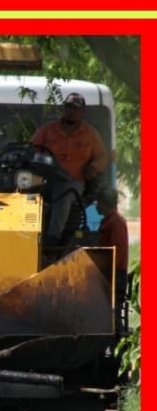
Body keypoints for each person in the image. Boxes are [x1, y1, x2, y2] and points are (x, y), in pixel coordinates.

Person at [30, 91, 107, 189]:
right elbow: (31, 149)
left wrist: (93, 168)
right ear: (63, 109)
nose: (71, 111)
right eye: (68, 107)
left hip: (75, 181)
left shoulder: (90, 133)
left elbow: (101, 156)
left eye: (75, 108)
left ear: (82, 112)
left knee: (64, 191)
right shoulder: (47, 131)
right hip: (47, 180)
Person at [96, 188, 130, 316]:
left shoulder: (116, 223)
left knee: (112, 316)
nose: (96, 206)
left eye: (98, 202)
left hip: (115, 275)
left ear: (103, 203)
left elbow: (119, 252)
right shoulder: (108, 221)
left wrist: (105, 270)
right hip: (110, 274)